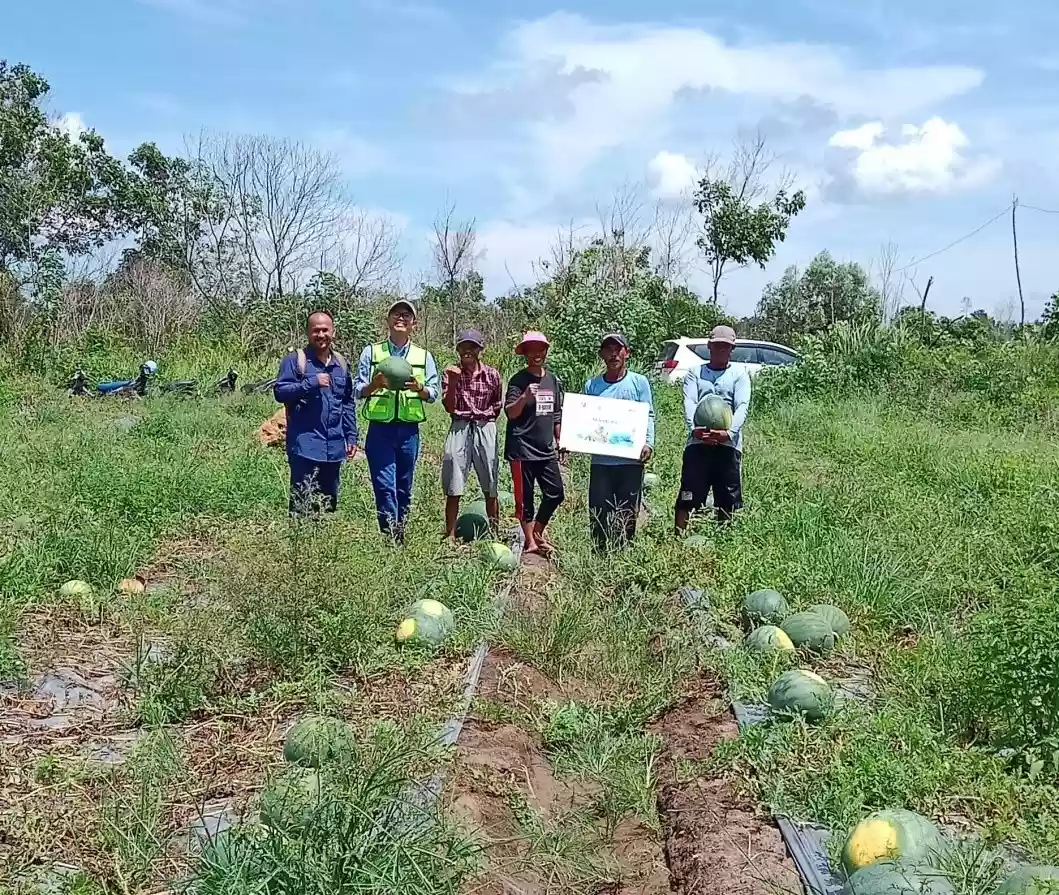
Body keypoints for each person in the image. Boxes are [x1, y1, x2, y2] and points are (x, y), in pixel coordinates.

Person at [354, 299, 439, 541]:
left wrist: (420, 389)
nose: (400, 318)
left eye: (406, 315)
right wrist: (374, 385)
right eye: (396, 314)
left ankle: (400, 533)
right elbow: (357, 390)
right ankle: (389, 536)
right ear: (388, 319)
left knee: (404, 486)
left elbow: (433, 393)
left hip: (408, 431)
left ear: (415, 323)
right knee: (384, 485)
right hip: (380, 430)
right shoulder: (372, 352)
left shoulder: (423, 356)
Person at [274, 310, 358, 516]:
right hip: (305, 445)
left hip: (334, 447)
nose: (321, 335)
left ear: (333, 332)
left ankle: (323, 544)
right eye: (316, 330)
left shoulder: (341, 364)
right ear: (308, 333)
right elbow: (280, 392)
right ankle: (300, 544)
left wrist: (351, 436)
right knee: (301, 503)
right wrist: (310, 383)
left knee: (328, 504)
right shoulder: (296, 361)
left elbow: (347, 402)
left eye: (325, 330)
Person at [676, 324, 751, 532]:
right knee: (688, 494)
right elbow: (689, 401)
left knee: (727, 498)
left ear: (732, 349)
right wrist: (694, 429)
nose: (721, 350)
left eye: (725, 347)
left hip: (728, 445)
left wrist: (728, 433)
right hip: (698, 443)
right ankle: (678, 539)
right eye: (717, 346)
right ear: (709, 346)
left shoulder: (739, 374)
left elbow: (742, 406)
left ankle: (723, 538)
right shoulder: (695, 373)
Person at [583, 333, 655, 551]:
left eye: (618, 349)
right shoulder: (592, 385)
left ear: (627, 353)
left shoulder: (639, 382)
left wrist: (648, 443)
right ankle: (598, 553)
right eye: (608, 349)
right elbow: (584, 419)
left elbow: (648, 415)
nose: (613, 354)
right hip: (601, 462)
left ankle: (623, 551)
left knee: (626, 511)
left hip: (630, 460)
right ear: (602, 355)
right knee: (598, 510)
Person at [504, 331, 565, 557]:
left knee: (556, 492)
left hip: (546, 449)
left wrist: (561, 440)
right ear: (525, 354)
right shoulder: (518, 381)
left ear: (545, 352)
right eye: (531, 350)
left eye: (540, 349)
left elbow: (557, 414)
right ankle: (529, 542)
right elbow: (510, 413)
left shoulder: (553, 380)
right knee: (524, 500)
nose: (536, 354)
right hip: (522, 449)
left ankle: (537, 532)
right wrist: (524, 398)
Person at [441, 329, 503, 540]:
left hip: (485, 425)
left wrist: (485, 420)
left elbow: (497, 404)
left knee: (491, 483)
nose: (467, 351)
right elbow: (449, 407)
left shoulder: (492, 374)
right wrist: (453, 383)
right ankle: (449, 534)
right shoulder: (450, 372)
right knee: (453, 480)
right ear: (458, 349)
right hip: (459, 424)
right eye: (463, 347)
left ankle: (495, 532)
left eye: (472, 347)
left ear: (480, 350)